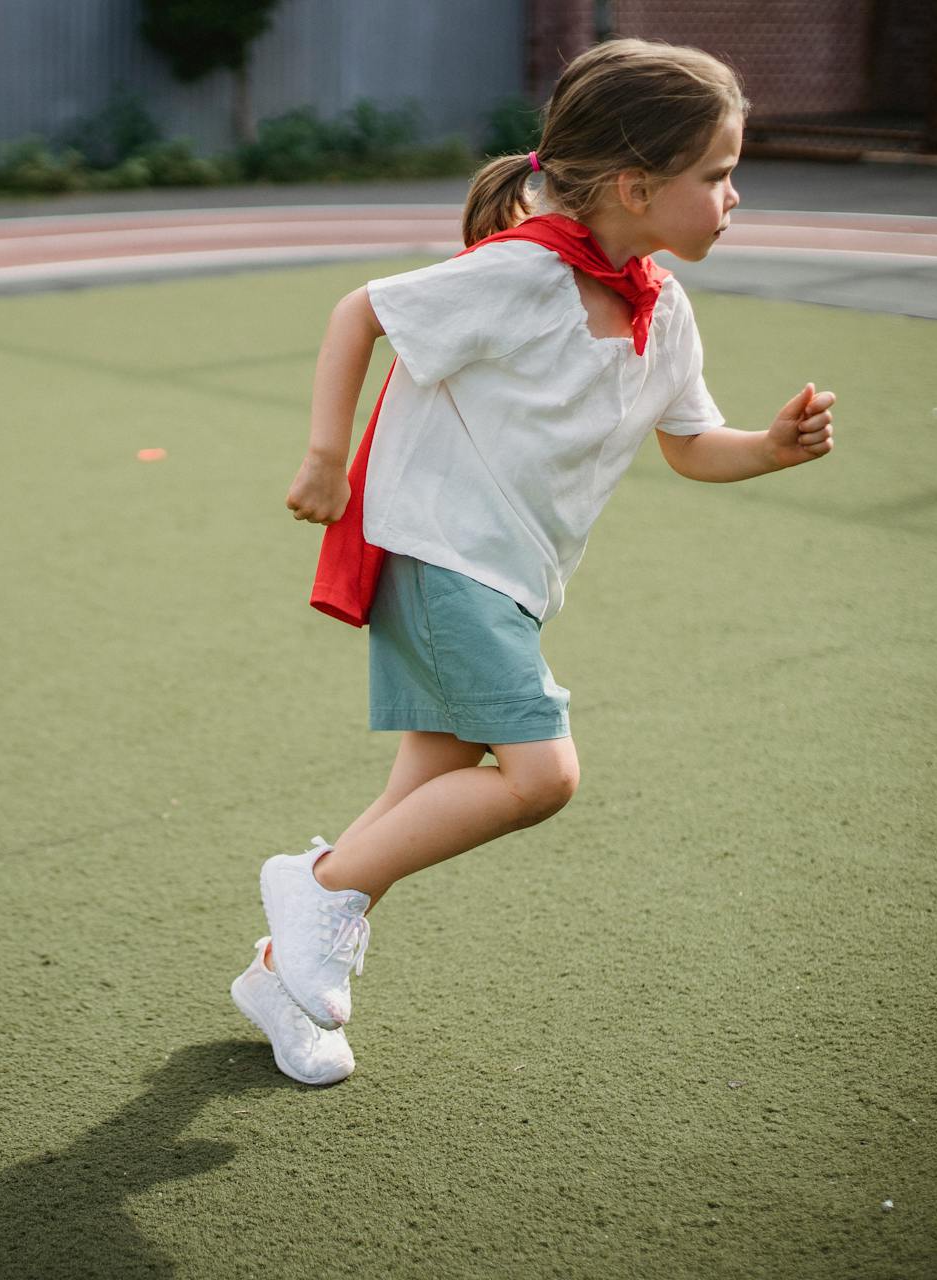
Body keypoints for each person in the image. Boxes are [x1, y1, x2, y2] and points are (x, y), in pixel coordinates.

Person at [229, 37, 838, 1086]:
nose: (736, 195)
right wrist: (326, 457)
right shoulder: (521, 274)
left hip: (510, 582)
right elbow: (361, 312)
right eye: (718, 174)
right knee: (541, 776)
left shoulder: (664, 308)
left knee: (429, 780)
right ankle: (316, 885)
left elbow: (692, 444)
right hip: (438, 556)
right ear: (639, 187)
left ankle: (286, 971)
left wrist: (771, 450)